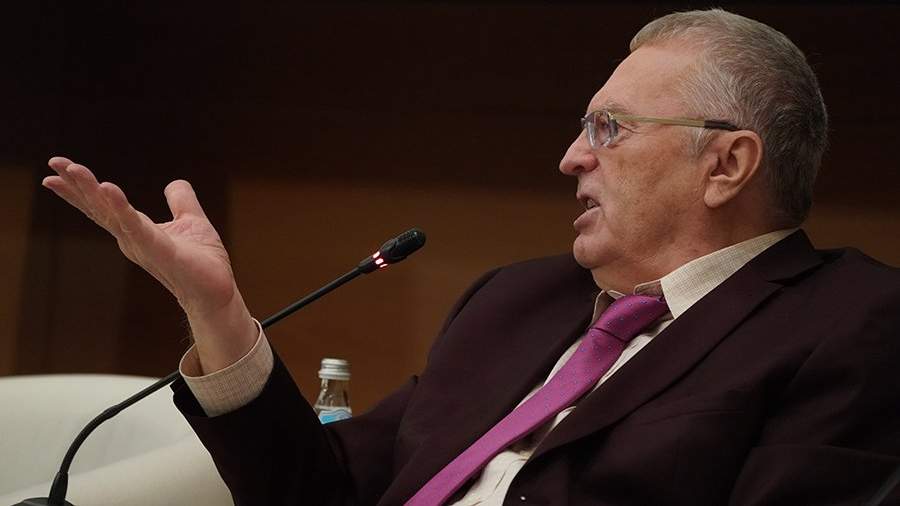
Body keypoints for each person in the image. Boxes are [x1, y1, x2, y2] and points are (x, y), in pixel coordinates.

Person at [43, 8, 900, 505]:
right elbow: (320, 493)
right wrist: (218, 314)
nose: (571, 157)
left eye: (608, 128)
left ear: (726, 165)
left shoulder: (853, 322)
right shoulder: (514, 301)